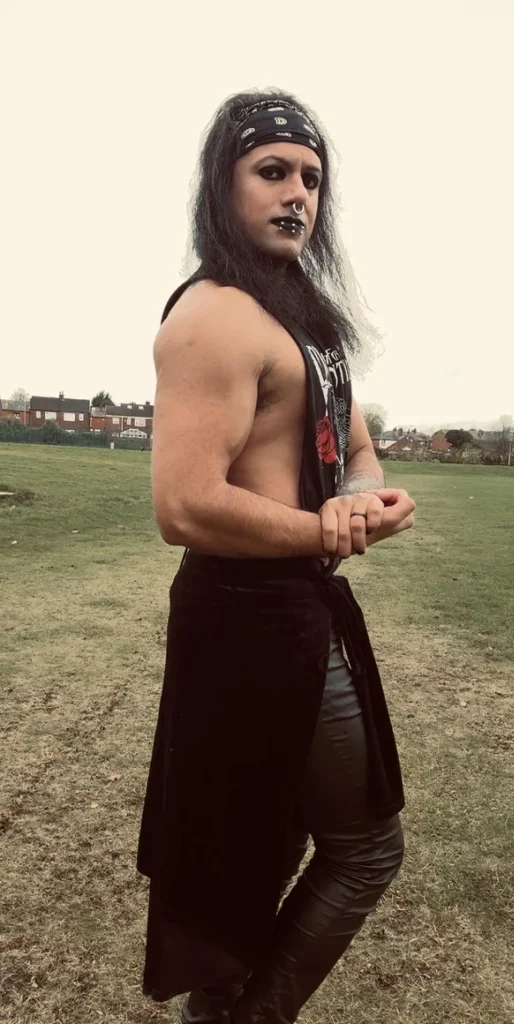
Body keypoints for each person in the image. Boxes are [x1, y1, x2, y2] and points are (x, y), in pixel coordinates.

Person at [137, 90, 416, 1024]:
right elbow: (184, 505)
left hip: (301, 605)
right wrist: (326, 533)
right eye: (272, 172)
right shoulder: (212, 316)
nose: (297, 194)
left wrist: (360, 498)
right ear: (222, 187)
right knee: (350, 850)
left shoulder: (307, 320)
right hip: (242, 614)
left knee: (264, 844)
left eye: (311, 178)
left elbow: (356, 444)